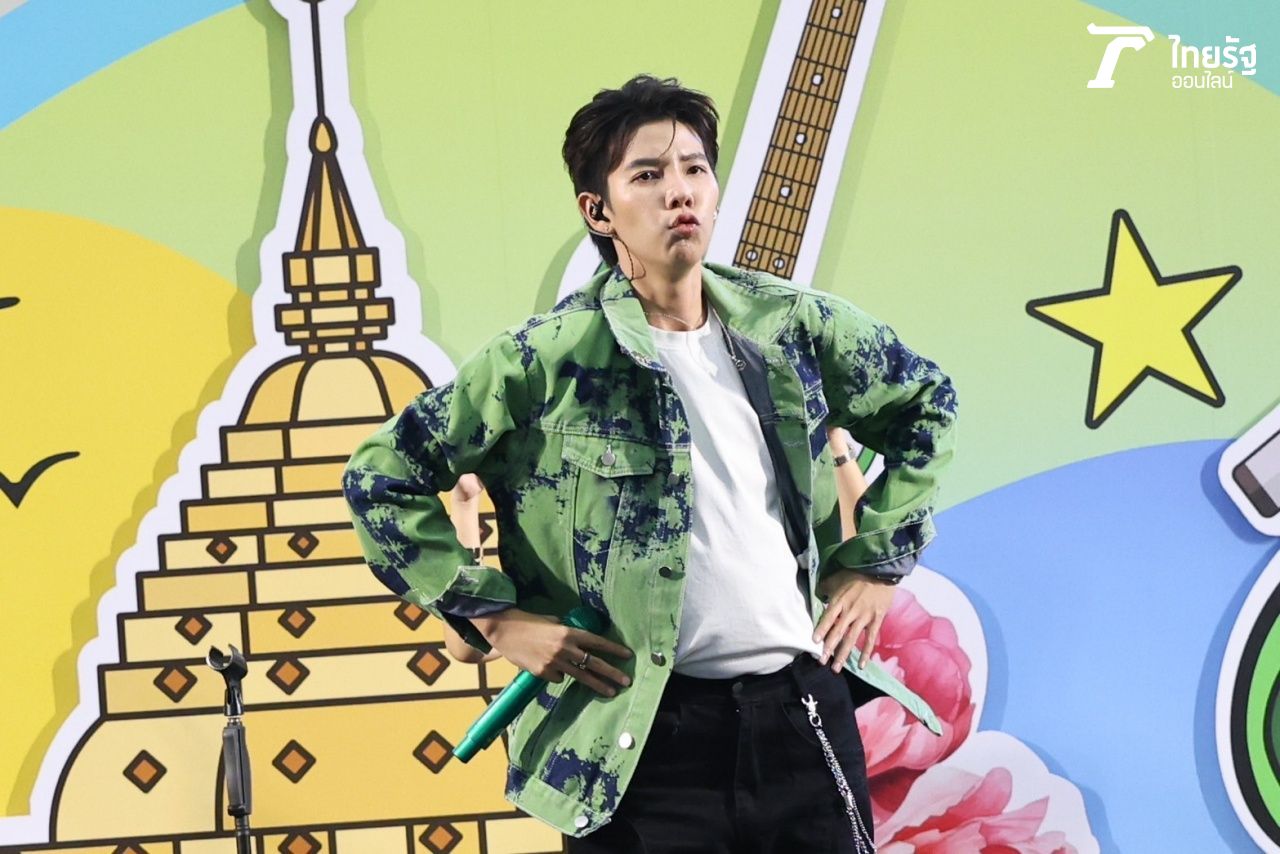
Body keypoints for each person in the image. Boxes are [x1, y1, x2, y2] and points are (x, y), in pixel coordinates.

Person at [343, 74, 957, 853]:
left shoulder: (788, 325)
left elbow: (927, 403)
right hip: (638, 745)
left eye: (695, 168)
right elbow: (380, 477)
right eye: (648, 174)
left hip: (799, 716)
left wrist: (875, 564)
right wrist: (492, 617)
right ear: (598, 211)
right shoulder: (543, 360)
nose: (680, 192)